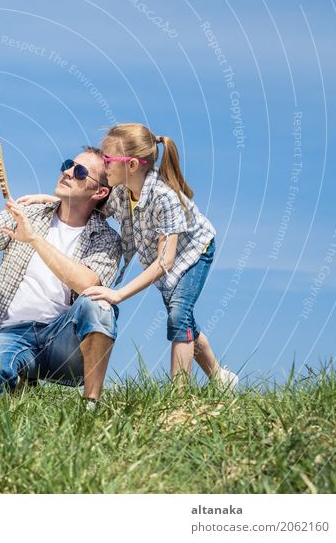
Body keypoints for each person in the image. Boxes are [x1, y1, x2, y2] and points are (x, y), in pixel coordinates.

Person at [20, 124, 238, 391]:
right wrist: (49, 200)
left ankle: (178, 397)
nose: (104, 165)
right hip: (164, 261)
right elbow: (93, 205)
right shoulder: (122, 192)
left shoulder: (165, 198)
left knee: (179, 315)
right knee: (185, 319)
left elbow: (165, 262)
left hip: (193, 254)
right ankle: (219, 376)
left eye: (109, 160)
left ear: (132, 165)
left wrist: (118, 294)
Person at [0, 147, 123, 402]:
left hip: (63, 339)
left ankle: (91, 403)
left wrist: (34, 239)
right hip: (12, 333)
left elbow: (88, 284)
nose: (68, 172)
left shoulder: (107, 239)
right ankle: (21, 383)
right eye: (69, 164)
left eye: (81, 172)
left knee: (99, 304)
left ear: (100, 192)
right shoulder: (27, 214)